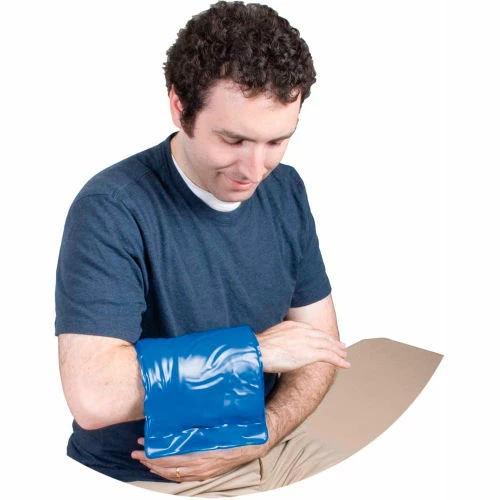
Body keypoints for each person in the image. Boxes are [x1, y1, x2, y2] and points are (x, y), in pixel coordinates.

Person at [55, 1, 350, 496]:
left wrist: (263, 434)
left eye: (277, 141)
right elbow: (93, 396)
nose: (255, 171)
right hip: (146, 473)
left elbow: (320, 352)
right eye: (233, 140)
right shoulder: (111, 207)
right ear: (179, 106)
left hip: (267, 446)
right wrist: (255, 353)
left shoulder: (286, 189)